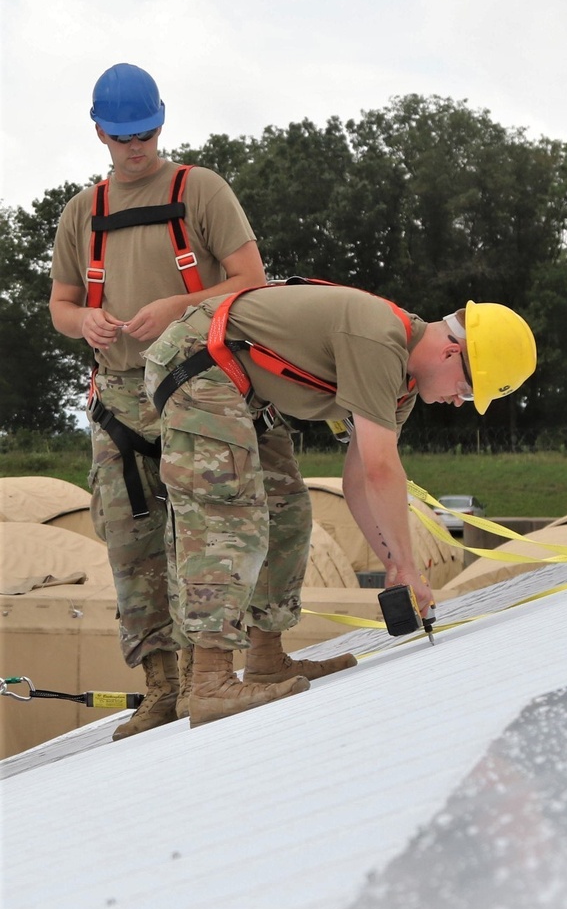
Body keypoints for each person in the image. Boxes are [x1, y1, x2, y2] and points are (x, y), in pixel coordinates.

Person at [48, 64, 352, 740]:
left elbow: (252, 282)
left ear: (163, 121)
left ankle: (265, 655)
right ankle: (165, 687)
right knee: (134, 543)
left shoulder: (200, 191)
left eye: (149, 132)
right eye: (124, 136)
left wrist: (177, 308)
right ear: (98, 131)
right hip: (123, 398)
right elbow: (61, 305)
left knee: (278, 509)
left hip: (209, 378)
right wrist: (84, 323)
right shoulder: (82, 213)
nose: (138, 147)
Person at [144, 281, 537, 727]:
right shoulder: (379, 341)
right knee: (229, 511)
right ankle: (210, 682)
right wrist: (409, 568)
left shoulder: (402, 386)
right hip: (199, 361)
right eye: (467, 391)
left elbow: (356, 481)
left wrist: (393, 564)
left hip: (240, 384)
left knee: (288, 509)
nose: (459, 403)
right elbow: (380, 470)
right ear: (451, 353)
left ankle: (265, 659)